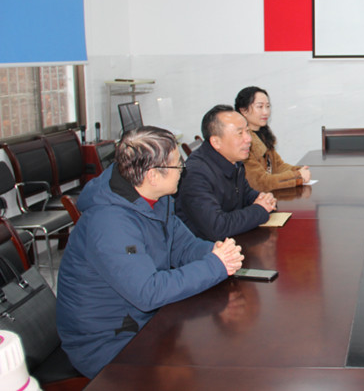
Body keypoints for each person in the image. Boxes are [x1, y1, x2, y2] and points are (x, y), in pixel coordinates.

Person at [56, 126, 244, 378]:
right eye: (178, 165)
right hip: (108, 342)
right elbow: (148, 292)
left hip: (145, 322)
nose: (183, 169)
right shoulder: (109, 223)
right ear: (153, 175)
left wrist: (215, 251)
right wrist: (214, 265)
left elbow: (184, 247)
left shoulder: (156, 198)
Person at [176, 104, 277, 240]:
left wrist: (264, 199)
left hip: (234, 241)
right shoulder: (195, 174)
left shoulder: (233, 160)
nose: (248, 139)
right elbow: (217, 227)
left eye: (247, 131)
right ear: (216, 142)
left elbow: (246, 194)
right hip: (209, 248)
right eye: (240, 133)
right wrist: (260, 209)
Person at [235, 86, 311, 192]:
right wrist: (297, 176)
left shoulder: (264, 134)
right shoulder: (243, 141)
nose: (265, 112)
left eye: (267, 106)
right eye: (260, 107)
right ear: (244, 111)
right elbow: (260, 182)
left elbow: (278, 166)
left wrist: (300, 170)